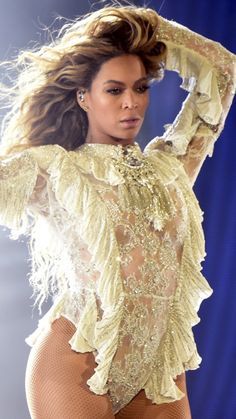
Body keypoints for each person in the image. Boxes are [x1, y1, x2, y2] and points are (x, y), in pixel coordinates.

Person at [0, 3, 235, 419]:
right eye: (114, 90)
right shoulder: (53, 166)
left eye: (141, 88)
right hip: (75, 360)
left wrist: (147, 26)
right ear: (83, 96)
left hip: (158, 370)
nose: (131, 103)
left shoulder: (172, 167)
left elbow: (222, 71)